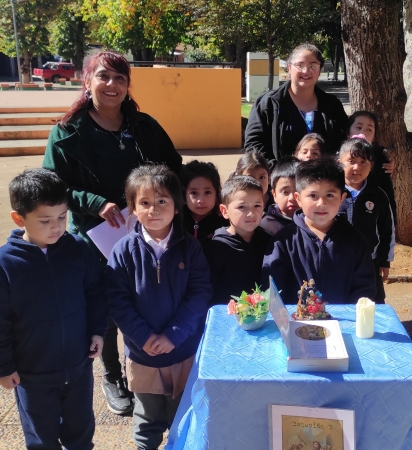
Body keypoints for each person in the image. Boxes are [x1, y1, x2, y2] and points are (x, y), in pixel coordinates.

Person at [42, 50, 182, 415]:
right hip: (96, 236)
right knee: (102, 307)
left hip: (145, 231)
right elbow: (53, 186)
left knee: (144, 298)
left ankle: (152, 365)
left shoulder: (143, 126)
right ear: (86, 82)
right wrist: (93, 202)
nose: (112, 85)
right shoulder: (67, 131)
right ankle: (112, 373)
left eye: (120, 78)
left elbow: (173, 167)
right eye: (104, 76)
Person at [0, 169, 107, 449]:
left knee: (81, 433)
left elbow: (95, 294)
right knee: (41, 438)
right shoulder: (4, 265)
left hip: (78, 367)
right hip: (32, 374)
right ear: (19, 218)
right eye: (45, 220)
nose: (57, 227)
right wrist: (2, 366)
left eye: (63, 217)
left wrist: (97, 332)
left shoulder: (77, 250)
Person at [105, 165, 212, 450]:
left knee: (185, 415)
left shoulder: (190, 248)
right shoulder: (123, 251)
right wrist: (144, 337)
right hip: (144, 356)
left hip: (183, 351)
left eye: (162, 201)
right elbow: (117, 300)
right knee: (147, 419)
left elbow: (199, 294)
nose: (154, 209)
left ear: (177, 207)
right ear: (133, 208)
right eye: (145, 203)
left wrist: (173, 335)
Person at [262, 156, 376, 304]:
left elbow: (364, 290)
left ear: (342, 198)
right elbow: (273, 291)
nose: (321, 203)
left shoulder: (355, 241)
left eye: (329, 195)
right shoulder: (283, 242)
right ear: (298, 198)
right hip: (296, 321)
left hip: (342, 322)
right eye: (313, 196)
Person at [244, 43, 349, 161]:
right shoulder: (268, 103)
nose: (306, 71)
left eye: (313, 66)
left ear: (320, 70)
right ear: (289, 68)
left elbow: (344, 142)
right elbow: (253, 145)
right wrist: (280, 173)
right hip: (279, 177)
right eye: (300, 65)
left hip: (323, 177)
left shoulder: (332, 105)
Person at [337, 138, 395, 304]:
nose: (357, 167)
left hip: (370, 260)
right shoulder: (331, 193)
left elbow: (387, 230)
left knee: (372, 301)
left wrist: (384, 261)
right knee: (339, 300)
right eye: (351, 161)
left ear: (371, 166)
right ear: (339, 162)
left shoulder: (378, 195)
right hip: (337, 259)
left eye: (363, 162)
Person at [204, 176, 272, 306]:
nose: (251, 213)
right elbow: (209, 291)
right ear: (224, 211)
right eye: (242, 207)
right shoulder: (216, 248)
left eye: (257, 205)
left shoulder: (269, 242)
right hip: (228, 318)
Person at [347, 111, 397, 219]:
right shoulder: (340, 157)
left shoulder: (381, 159)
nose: (363, 132)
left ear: (374, 137)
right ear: (348, 132)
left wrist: (391, 221)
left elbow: (387, 192)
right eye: (358, 127)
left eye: (369, 129)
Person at [180, 160, 228, 245]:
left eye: (207, 192)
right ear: (184, 194)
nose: (201, 200)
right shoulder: (177, 219)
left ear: (216, 193)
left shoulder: (225, 221)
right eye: (194, 193)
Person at [261, 157, 299, 235]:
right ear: (274, 195)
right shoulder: (266, 226)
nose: (292, 198)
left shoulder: (313, 222)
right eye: (285, 192)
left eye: (298, 191)